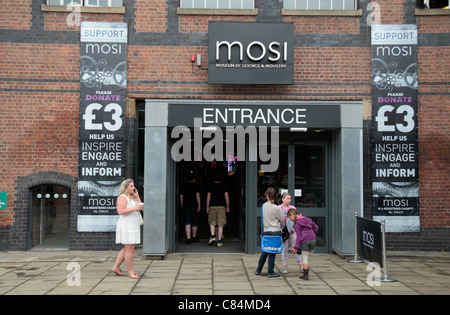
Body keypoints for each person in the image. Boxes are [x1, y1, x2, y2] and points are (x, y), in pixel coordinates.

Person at [112, 179, 144, 279]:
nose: (133, 187)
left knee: (127, 248)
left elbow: (141, 207)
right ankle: (131, 272)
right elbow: (120, 211)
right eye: (131, 186)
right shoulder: (123, 197)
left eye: (133, 185)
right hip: (127, 226)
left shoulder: (132, 197)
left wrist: (137, 196)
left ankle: (116, 267)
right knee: (130, 250)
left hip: (132, 225)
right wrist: (135, 208)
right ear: (125, 187)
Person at [255, 187, 285, 278]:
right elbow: (282, 219)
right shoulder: (276, 208)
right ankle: (270, 272)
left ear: (267, 195)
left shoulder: (264, 205)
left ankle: (258, 270)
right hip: (275, 231)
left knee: (265, 251)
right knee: (272, 252)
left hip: (266, 231)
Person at [288, 208, 318, 280]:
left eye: (290, 218)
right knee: (309, 253)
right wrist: (313, 235)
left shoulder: (297, 223)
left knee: (305, 257)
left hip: (305, 241)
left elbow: (298, 237)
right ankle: (300, 251)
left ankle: (305, 275)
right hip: (313, 240)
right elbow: (316, 227)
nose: (291, 219)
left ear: (292, 214)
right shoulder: (307, 219)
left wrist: (295, 247)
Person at [278, 192, 303, 274]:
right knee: (284, 249)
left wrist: (295, 228)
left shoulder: (292, 208)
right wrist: (279, 228)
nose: (289, 200)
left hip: (293, 231)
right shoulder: (278, 208)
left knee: (295, 247)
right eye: (287, 198)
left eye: (290, 199)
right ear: (282, 199)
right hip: (284, 231)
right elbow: (276, 220)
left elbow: (297, 219)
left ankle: (301, 265)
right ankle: (285, 267)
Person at [206, 173, 230, 247]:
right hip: (221, 207)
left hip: (212, 206)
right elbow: (226, 197)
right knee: (220, 224)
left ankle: (213, 236)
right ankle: (219, 241)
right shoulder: (224, 186)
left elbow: (208, 197)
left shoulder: (211, 186)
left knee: (212, 222)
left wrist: (207, 207)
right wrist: (227, 206)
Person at [180, 173, 201, 244]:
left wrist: (182, 205)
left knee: (187, 222)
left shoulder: (184, 186)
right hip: (194, 205)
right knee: (195, 222)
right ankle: (194, 237)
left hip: (186, 206)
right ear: (194, 179)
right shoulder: (196, 185)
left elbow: (181, 196)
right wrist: (199, 204)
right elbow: (197, 195)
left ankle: (188, 239)